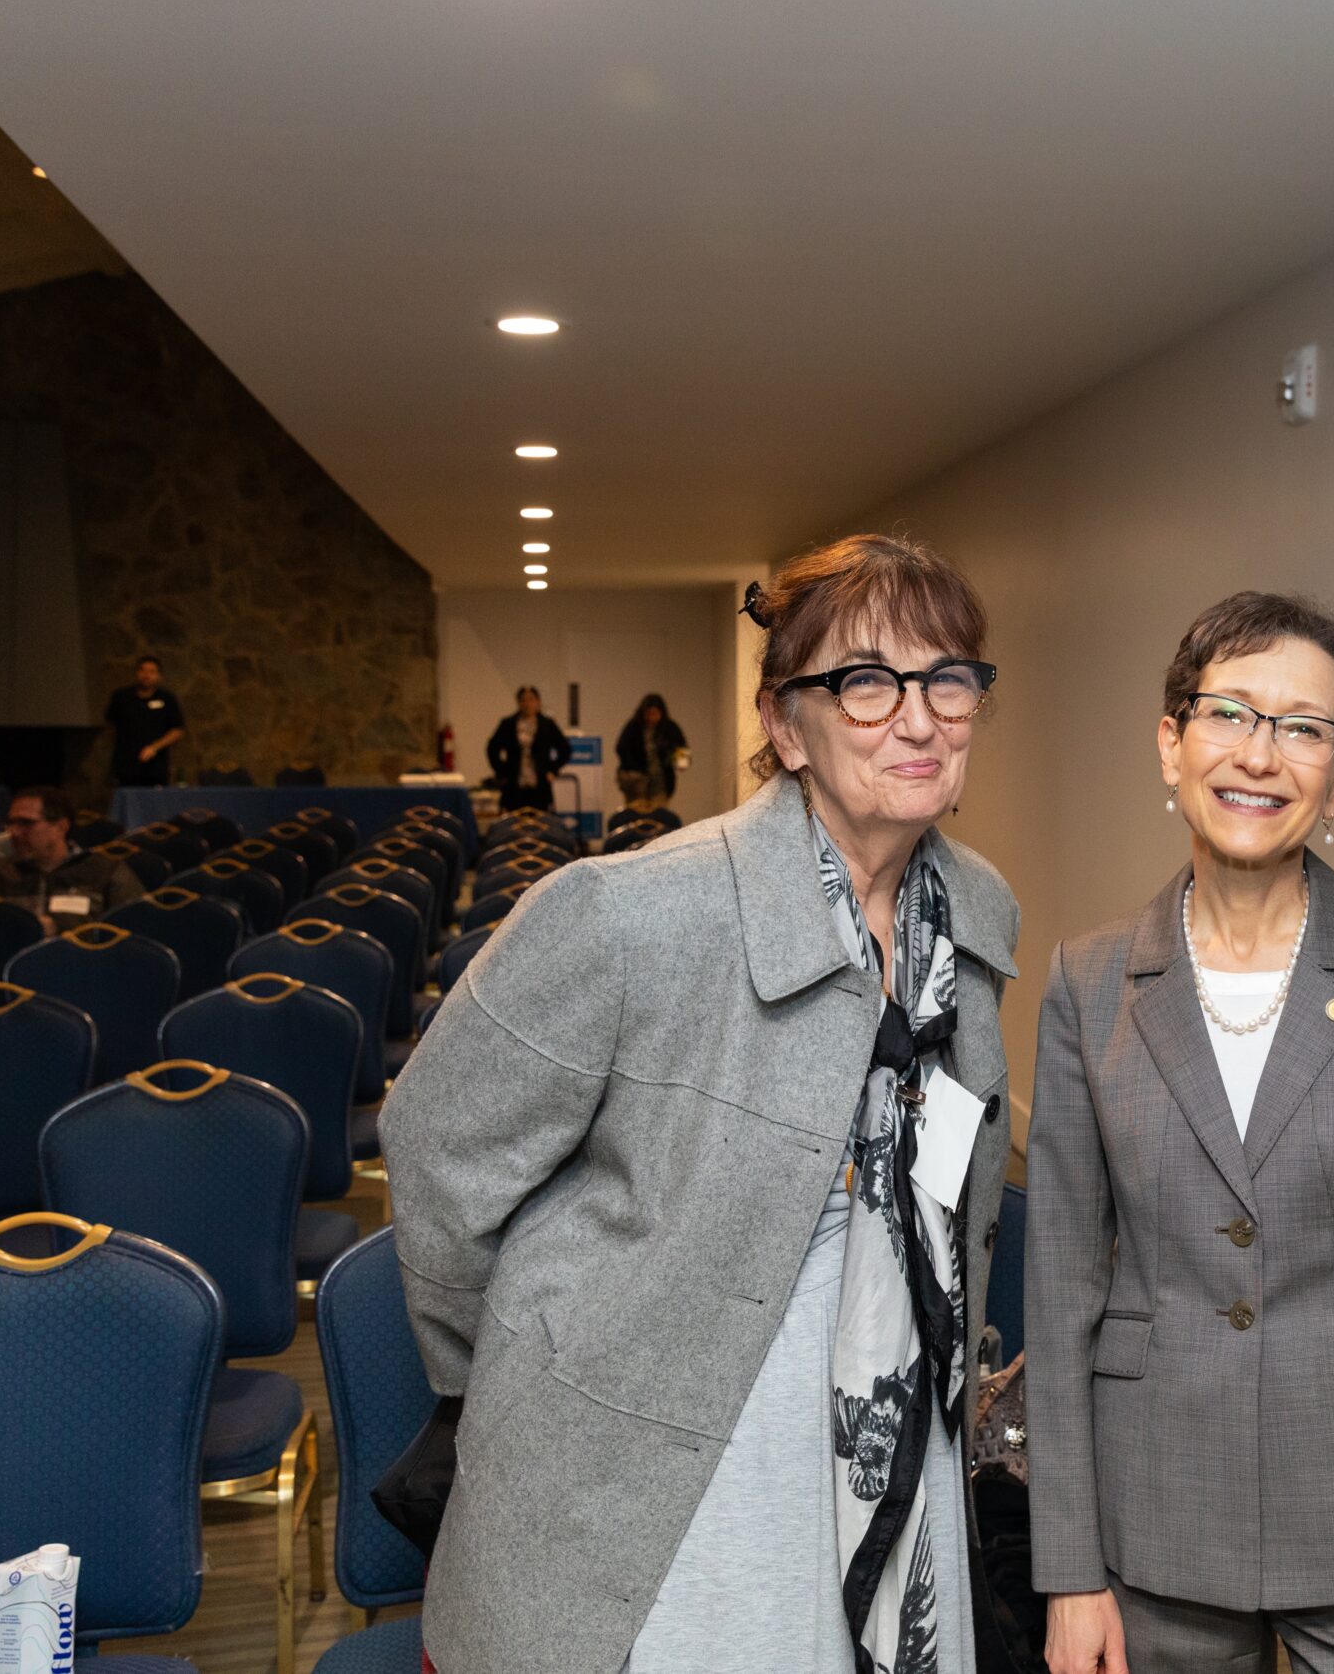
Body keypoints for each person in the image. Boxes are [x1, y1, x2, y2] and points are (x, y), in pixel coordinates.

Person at [384, 531, 1019, 1674]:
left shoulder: (979, 911)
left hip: (894, 1431)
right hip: (667, 1460)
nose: (919, 719)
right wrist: (553, 1373)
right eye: (868, 683)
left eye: (948, 679)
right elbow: (437, 1149)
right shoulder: (626, 915)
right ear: (785, 725)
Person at [1026, 593, 1334, 1674]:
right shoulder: (1088, 980)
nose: (1259, 755)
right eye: (1229, 713)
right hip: (1151, 1529)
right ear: (1169, 742)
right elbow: (1057, 1291)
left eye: (1303, 729)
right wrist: (1068, 1572)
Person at [0, 787, 146, 935]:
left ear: (61, 827)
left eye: (25, 823)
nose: (14, 832)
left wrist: (59, 930)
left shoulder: (103, 870)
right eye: (11, 823)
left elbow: (135, 930)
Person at [485, 685, 570, 815]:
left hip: (539, 785)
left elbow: (565, 749)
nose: (527, 704)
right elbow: (492, 748)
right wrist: (502, 771)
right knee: (514, 822)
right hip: (515, 784)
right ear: (518, 703)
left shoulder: (546, 724)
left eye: (531, 700)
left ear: (538, 702)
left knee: (540, 822)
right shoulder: (508, 724)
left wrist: (553, 770)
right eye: (523, 700)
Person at [104, 655, 187, 787]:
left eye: (151, 671)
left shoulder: (166, 699)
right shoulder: (121, 697)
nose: (146, 675)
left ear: (159, 675)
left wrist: (154, 748)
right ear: (137, 672)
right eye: (143, 670)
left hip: (155, 767)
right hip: (126, 765)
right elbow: (110, 724)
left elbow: (177, 730)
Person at [617, 692, 688, 803]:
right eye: (648, 714)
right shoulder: (634, 727)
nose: (651, 718)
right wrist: (633, 769)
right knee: (637, 813)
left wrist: (682, 762)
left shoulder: (670, 728)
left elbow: (681, 746)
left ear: (661, 713)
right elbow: (621, 748)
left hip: (661, 780)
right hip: (636, 782)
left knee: (659, 813)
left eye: (654, 714)